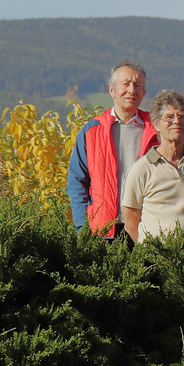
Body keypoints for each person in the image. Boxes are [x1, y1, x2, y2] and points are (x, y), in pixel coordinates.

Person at [67, 60, 158, 237]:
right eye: (125, 84)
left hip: (144, 229)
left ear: (144, 92)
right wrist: (82, 227)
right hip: (102, 229)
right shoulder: (93, 131)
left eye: (137, 85)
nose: (132, 90)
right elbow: (77, 181)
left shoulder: (155, 131)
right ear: (112, 90)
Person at [121, 89, 184, 243]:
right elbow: (131, 225)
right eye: (169, 117)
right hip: (153, 257)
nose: (176, 121)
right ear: (156, 124)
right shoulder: (141, 169)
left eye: (182, 116)